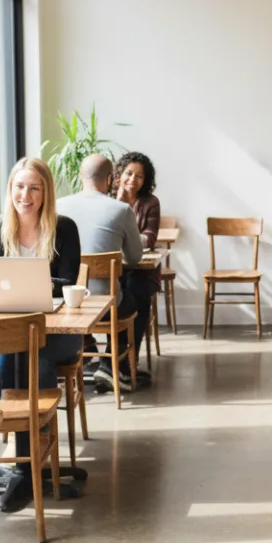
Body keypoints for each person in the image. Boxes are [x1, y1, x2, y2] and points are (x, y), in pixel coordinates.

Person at [0, 157, 81, 511]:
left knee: (33, 354)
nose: (26, 194)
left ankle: (32, 456)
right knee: (11, 353)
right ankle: (29, 458)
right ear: (11, 190)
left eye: (34, 188)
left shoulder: (64, 228)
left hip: (58, 331)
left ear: (46, 192)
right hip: (9, 330)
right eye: (20, 187)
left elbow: (67, 282)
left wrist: (29, 282)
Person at [55, 154, 147, 392]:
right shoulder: (121, 209)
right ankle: (114, 365)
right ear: (110, 179)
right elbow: (135, 258)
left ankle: (84, 354)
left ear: (80, 176)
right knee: (137, 299)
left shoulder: (57, 206)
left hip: (67, 303)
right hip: (106, 307)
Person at [115, 151, 161, 386]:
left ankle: (127, 361)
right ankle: (105, 360)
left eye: (140, 176)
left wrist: (126, 239)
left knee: (138, 293)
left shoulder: (150, 202)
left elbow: (150, 238)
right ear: (119, 175)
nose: (133, 180)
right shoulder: (107, 199)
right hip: (114, 270)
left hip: (143, 270)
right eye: (129, 173)